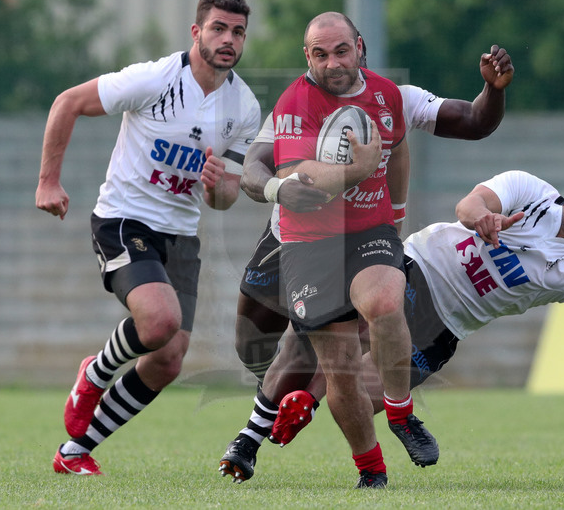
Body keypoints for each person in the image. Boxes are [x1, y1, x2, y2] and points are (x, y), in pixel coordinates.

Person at [231, 162, 564, 488]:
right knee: (306, 340)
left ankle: (307, 402)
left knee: (361, 396)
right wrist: (483, 218)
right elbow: (469, 205)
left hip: (442, 327)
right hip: (413, 267)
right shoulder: (528, 189)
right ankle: (249, 441)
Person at [220, 41, 514, 487]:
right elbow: (253, 171)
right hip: (290, 239)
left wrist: (493, 90)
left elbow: (474, 121)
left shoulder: (397, 98)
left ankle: (257, 434)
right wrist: (287, 188)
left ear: (360, 50)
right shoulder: (297, 104)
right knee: (252, 345)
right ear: (309, 59)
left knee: (326, 337)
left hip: (363, 239)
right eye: (323, 55)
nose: (335, 65)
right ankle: (280, 405)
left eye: (343, 52)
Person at [35, 0, 261, 476]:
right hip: (124, 220)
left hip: (180, 236)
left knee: (169, 359)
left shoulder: (243, 107)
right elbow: (67, 101)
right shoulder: (156, 78)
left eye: (238, 32)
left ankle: (74, 452)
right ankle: (94, 373)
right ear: (197, 32)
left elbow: (224, 200)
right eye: (219, 28)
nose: (228, 39)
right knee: (158, 323)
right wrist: (49, 180)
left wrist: (218, 185)